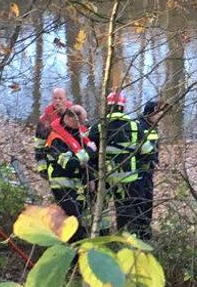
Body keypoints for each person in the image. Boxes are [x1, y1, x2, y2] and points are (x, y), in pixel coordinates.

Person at [88, 92, 140, 234]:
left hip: (104, 174)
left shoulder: (99, 125)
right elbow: (144, 150)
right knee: (125, 208)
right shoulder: (134, 125)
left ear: (108, 107)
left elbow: (90, 150)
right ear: (123, 107)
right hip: (127, 176)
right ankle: (124, 236)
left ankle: (104, 235)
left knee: (102, 206)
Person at [45, 106, 95, 242]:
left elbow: (83, 162)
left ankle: (79, 255)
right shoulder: (56, 139)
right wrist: (90, 151)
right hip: (62, 187)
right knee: (73, 224)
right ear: (70, 118)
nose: (83, 125)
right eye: (81, 121)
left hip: (78, 186)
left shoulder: (75, 133)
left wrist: (91, 178)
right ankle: (72, 258)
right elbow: (69, 163)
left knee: (81, 223)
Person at [127, 100, 166, 240]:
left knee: (148, 203)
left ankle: (145, 234)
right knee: (138, 203)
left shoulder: (153, 126)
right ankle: (137, 236)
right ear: (150, 113)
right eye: (158, 112)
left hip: (148, 172)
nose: (161, 115)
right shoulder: (138, 126)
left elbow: (154, 147)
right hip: (137, 173)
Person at [34, 88, 71, 178]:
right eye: (55, 98)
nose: (57, 101)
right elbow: (39, 145)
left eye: (60, 98)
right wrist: (42, 168)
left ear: (66, 99)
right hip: (53, 153)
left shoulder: (74, 114)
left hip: (71, 153)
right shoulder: (45, 119)